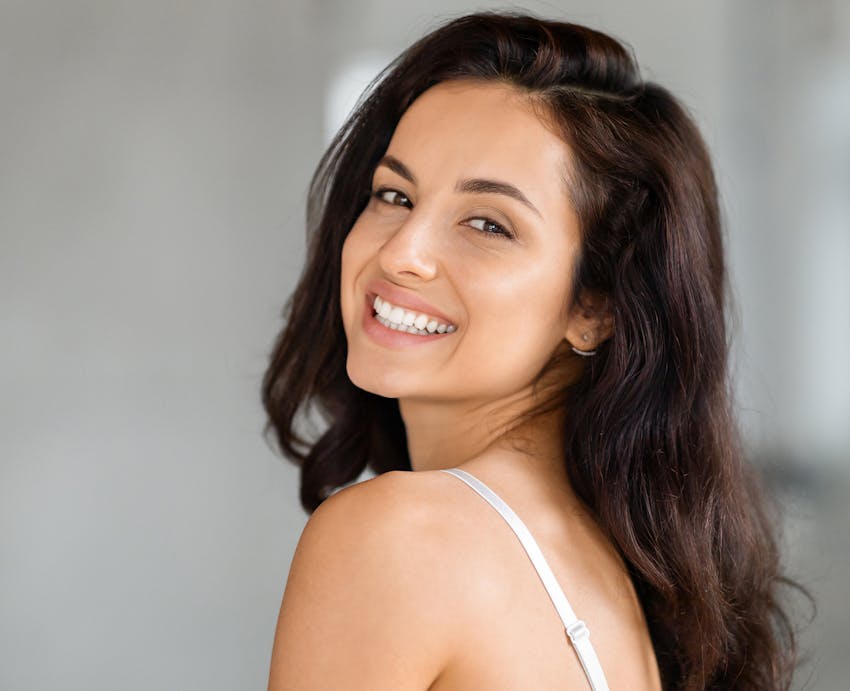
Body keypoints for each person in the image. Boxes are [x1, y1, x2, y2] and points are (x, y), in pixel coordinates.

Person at [261, 11, 799, 690]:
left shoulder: (398, 537)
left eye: (488, 223)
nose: (402, 253)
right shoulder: (611, 574)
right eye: (394, 194)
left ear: (593, 306)